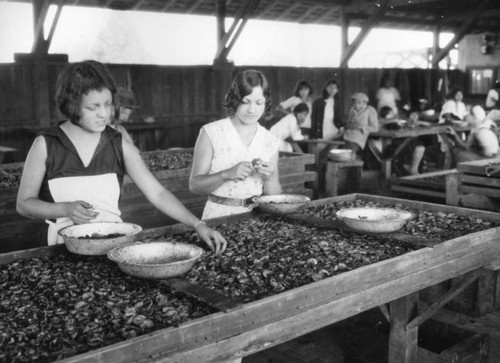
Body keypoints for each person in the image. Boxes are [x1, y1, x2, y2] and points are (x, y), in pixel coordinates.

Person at [16, 60, 227, 254]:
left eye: (107, 104)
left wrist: (197, 224)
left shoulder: (118, 143)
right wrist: (64, 209)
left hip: (114, 244)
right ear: (71, 105)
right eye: (93, 107)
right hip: (62, 248)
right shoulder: (46, 144)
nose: (104, 114)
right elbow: (24, 204)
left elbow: (157, 193)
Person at [189, 69, 282, 221]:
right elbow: (194, 186)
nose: (252, 110)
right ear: (234, 99)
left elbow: (273, 192)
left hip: (256, 218)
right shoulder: (212, 132)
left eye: (259, 103)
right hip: (217, 217)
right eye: (245, 102)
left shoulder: (270, 140)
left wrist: (270, 177)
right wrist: (226, 174)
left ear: (266, 103)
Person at [342, 92, 379, 158]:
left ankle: (352, 165)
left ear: (364, 103)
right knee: (335, 148)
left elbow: (375, 128)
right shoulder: (352, 109)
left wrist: (360, 127)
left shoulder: (370, 110)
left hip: (358, 137)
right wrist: (348, 125)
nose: (355, 105)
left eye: (358, 103)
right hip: (347, 134)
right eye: (354, 103)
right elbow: (349, 122)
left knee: (348, 153)